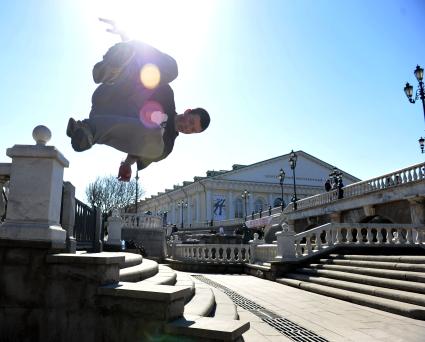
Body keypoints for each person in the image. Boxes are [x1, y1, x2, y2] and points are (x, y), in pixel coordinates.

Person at [67, 19, 210, 181]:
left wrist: (127, 164)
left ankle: (86, 131)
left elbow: (137, 149)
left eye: (192, 130)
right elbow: (146, 66)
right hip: (110, 93)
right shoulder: (167, 96)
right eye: (191, 122)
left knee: (157, 145)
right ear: (188, 111)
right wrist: (126, 37)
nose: (187, 127)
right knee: (169, 71)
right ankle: (117, 69)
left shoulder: (168, 143)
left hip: (102, 118)